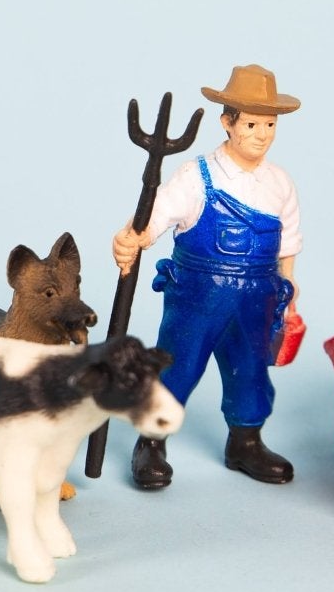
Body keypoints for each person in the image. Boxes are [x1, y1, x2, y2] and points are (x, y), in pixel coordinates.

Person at [111, 64, 302, 489]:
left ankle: (245, 441)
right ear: (227, 123)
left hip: (257, 299)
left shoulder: (279, 183)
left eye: (269, 124)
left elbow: (288, 240)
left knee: (250, 369)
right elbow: (154, 218)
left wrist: (289, 290)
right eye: (251, 124)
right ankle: (151, 441)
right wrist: (131, 239)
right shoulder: (197, 177)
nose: (261, 134)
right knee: (177, 366)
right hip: (198, 298)